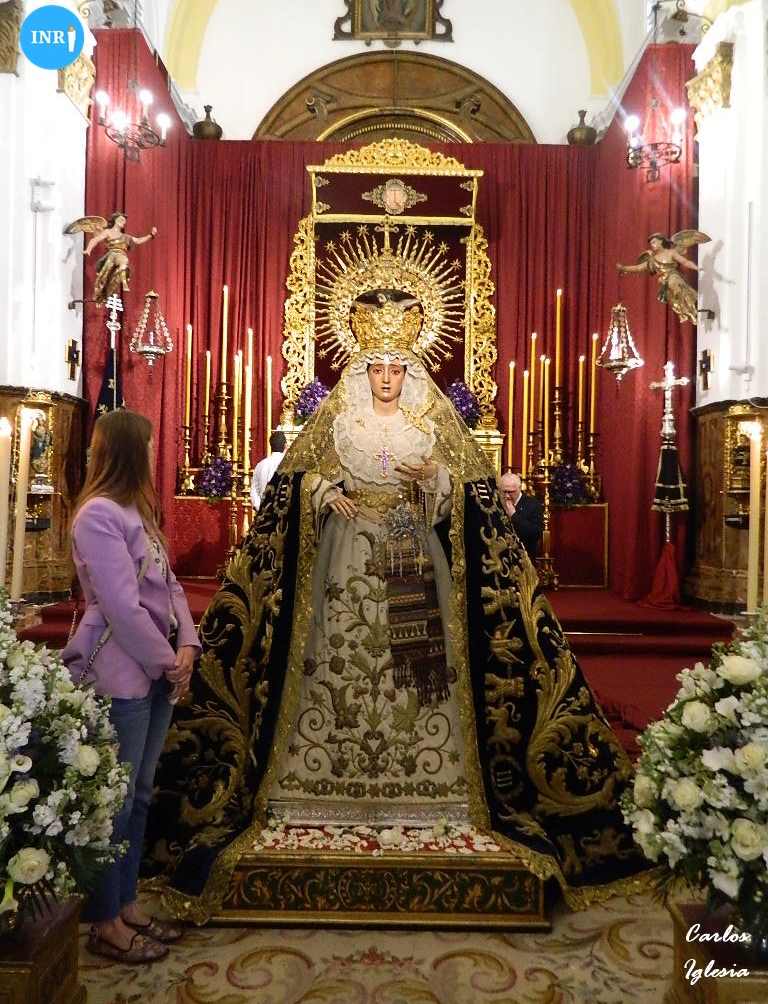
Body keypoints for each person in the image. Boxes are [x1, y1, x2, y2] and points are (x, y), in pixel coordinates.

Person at [147, 291, 649, 922]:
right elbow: (295, 484)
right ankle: (322, 771)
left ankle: (430, 774)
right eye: (377, 368)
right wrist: (324, 492)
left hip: (410, 548)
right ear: (363, 372)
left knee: (416, 664)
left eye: (395, 368)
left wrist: (434, 479)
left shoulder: (427, 425)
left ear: (408, 373)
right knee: (338, 658)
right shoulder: (338, 422)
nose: (386, 378)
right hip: (347, 555)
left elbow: (459, 499)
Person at [62, 409, 200, 963]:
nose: (151, 453)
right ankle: (104, 921)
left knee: (138, 795)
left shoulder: (136, 511)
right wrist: (170, 662)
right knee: (113, 803)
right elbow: (121, 606)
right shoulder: (98, 514)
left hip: (157, 666)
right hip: (121, 673)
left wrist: (188, 644)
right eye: (145, 446)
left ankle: (126, 903)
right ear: (125, 451)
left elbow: (171, 587)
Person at [617, 229, 710, 326]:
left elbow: (685, 262)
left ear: (661, 241)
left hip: (674, 275)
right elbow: (638, 268)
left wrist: (696, 268)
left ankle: (690, 308)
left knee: (673, 283)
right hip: (664, 282)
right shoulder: (653, 260)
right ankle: (686, 312)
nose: (652, 245)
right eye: (651, 243)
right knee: (675, 299)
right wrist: (623, 268)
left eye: (654, 242)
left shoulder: (671, 252)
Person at [77, 212, 157, 305]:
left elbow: (138, 241)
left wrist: (151, 234)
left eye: (124, 221)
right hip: (112, 254)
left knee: (123, 263)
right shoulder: (108, 232)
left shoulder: (126, 237)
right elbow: (95, 240)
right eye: (121, 220)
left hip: (121, 255)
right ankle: (106, 289)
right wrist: (88, 249)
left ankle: (122, 284)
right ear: (115, 220)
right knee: (107, 274)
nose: (123, 222)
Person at [500, 470, 544, 563]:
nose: (507, 496)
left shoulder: (533, 505)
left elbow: (535, 533)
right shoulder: (498, 503)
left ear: (519, 488)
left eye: (510, 492)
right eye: (504, 492)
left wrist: (514, 516)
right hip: (502, 558)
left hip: (524, 559)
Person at [250, 430, 287, 510]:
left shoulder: (260, 465)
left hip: (264, 509)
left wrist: (259, 507)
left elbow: (254, 489)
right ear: (285, 445)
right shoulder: (288, 464)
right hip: (283, 511)